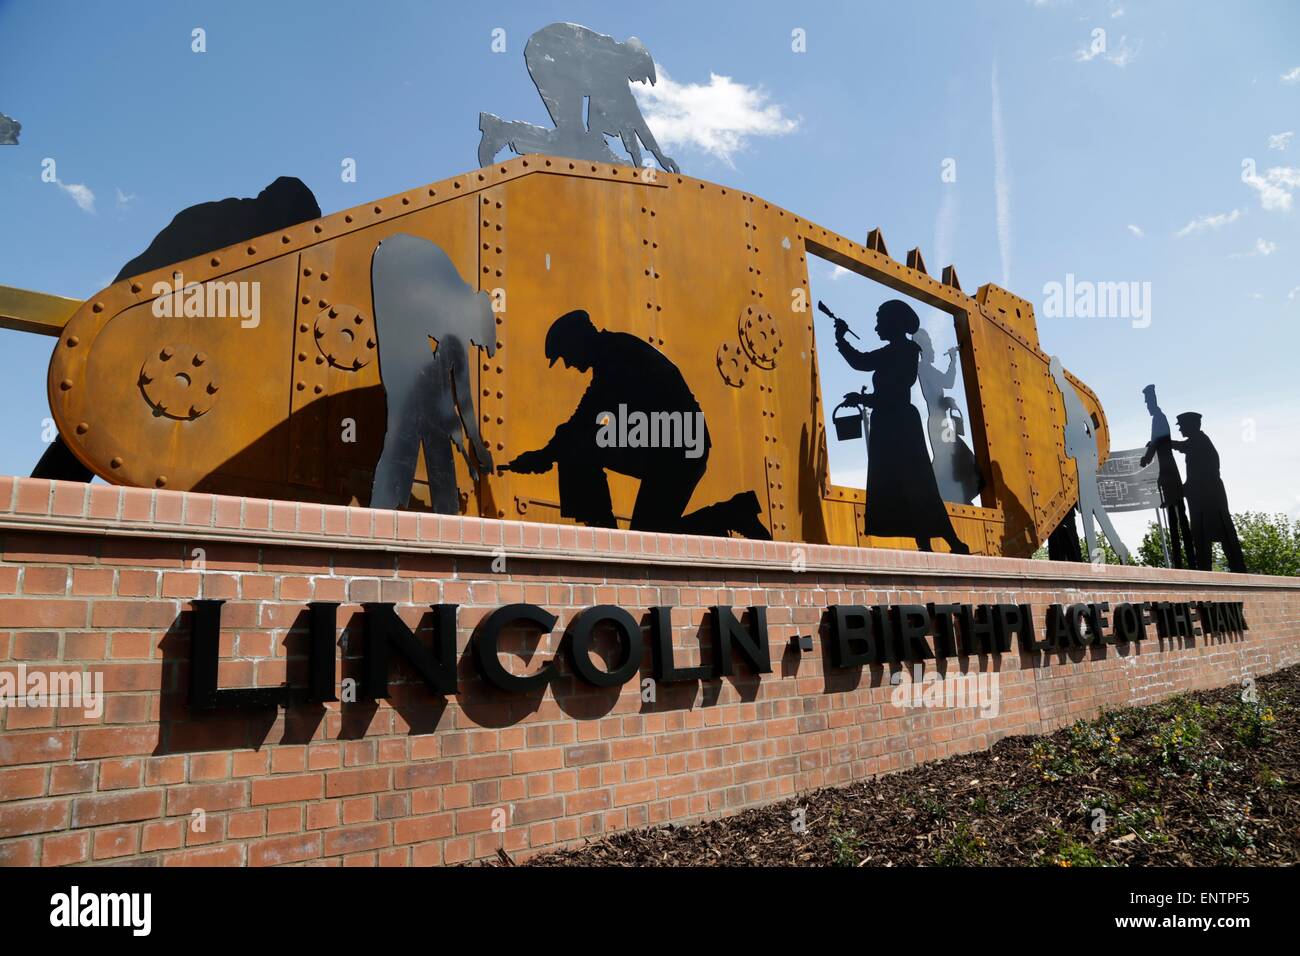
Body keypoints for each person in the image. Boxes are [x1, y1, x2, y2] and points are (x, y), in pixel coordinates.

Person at [502, 310, 768, 538]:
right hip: (673, 447)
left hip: (678, 447)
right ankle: (733, 514)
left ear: (578, 340)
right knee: (651, 537)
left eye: (566, 355)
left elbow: (585, 419)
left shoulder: (616, 357)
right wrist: (546, 455)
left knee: (576, 446)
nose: (569, 364)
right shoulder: (614, 353)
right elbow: (585, 420)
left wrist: (544, 456)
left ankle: (602, 530)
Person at [369, 234, 496, 513]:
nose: (475, 343)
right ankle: (397, 508)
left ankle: (389, 507)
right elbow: (462, 395)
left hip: (411, 377)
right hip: (415, 382)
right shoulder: (456, 318)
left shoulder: (449, 316)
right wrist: (476, 444)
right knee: (414, 440)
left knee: (409, 438)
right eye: (479, 340)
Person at [833, 300, 970, 554]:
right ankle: (929, 543)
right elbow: (864, 364)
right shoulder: (900, 351)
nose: (875, 327)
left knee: (915, 482)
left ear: (892, 323)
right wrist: (841, 340)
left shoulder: (902, 351)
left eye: (879, 321)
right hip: (893, 423)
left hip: (897, 424)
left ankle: (952, 543)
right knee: (908, 483)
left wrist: (862, 397)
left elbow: (887, 387)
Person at [478, 22, 680, 172]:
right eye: (640, 75)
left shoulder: (609, 61)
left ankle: (502, 130)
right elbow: (632, 117)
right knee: (571, 137)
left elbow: (620, 117)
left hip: (553, 55)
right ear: (634, 62)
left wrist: (642, 160)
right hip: (550, 57)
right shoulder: (613, 64)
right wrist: (655, 157)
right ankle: (502, 131)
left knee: (574, 138)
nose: (637, 80)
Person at [1049, 356, 1131, 564]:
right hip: (1083, 456)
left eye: (1053, 374)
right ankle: (1118, 551)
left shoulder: (1067, 393)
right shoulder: (1064, 393)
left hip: (1084, 457)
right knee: (1093, 509)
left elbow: (1086, 419)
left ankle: (1102, 558)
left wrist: (1089, 450)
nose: (1053, 378)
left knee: (1088, 510)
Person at [1169, 413, 1246, 573]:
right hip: (1203, 500)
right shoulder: (1197, 442)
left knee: (1220, 536)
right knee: (1204, 538)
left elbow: (1198, 474)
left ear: (1192, 425)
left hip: (1209, 501)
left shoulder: (1199, 442)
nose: (1181, 429)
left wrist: (1162, 443)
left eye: (1182, 426)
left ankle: (1237, 572)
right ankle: (1207, 574)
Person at [914, 327, 981, 504]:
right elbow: (948, 382)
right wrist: (953, 359)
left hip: (940, 421)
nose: (934, 350)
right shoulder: (924, 368)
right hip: (939, 422)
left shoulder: (924, 368)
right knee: (953, 459)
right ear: (924, 349)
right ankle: (938, 495)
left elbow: (945, 384)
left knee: (954, 458)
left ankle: (950, 497)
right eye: (930, 346)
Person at [1138, 384, 1195, 569]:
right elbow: (1156, 441)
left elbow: (1158, 442)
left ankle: (1187, 560)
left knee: (1178, 517)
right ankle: (1181, 561)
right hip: (1166, 472)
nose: (1148, 406)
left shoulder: (1159, 418)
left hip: (1169, 472)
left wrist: (1146, 457)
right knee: (1174, 517)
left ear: (1153, 402)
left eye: (1149, 402)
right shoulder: (1157, 419)